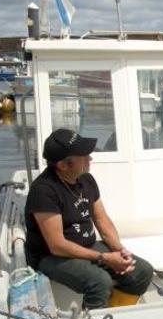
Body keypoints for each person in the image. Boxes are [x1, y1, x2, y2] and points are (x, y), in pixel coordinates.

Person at [24, 128, 154, 309]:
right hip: (50, 257)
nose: (90, 158)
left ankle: (115, 314)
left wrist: (120, 250)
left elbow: (102, 220)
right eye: (83, 155)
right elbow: (57, 245)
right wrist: (104, 257)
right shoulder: (44, 191)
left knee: (142, 271)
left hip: (86, 247)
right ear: (63, 165)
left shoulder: (86, 180)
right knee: (100, 281)